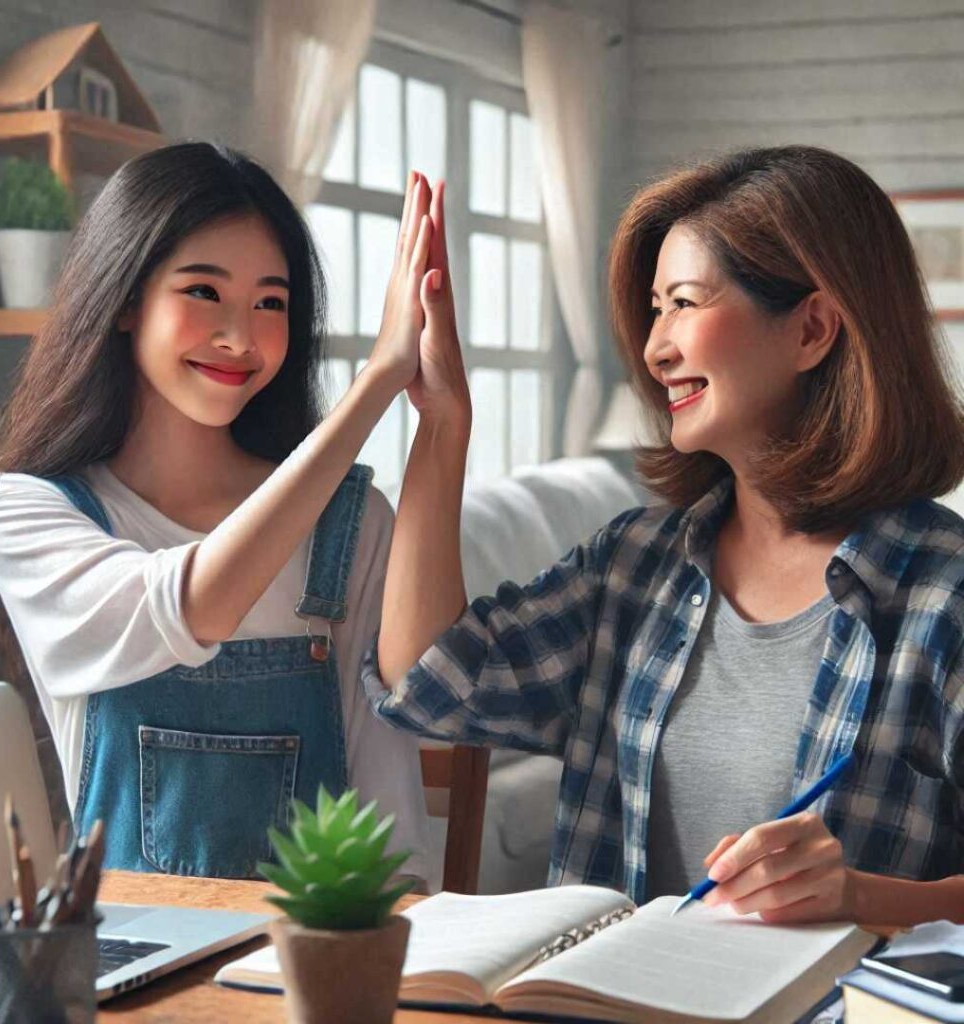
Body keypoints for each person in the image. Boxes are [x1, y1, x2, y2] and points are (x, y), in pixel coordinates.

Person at [367, 146, 964, 927]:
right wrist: (442, 421)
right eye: (655, 311)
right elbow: (431, 678)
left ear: (812, 328)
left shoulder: (942, 594)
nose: (655, 349)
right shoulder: (634, 566)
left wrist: (858, 895)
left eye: (683, 302)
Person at [0, 142, 442, 883]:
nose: (241, 337)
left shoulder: (353, 524)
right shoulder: (25, 513)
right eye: (203, 292)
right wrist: (379, 379)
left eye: (271, 302)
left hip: (307, 974)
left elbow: (388, 811)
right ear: (126, 300)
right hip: (126, 977)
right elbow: (191, 605)